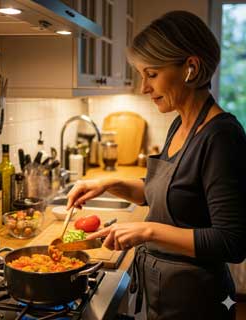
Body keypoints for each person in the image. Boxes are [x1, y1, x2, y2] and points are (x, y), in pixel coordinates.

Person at [66, 10, 246, 320]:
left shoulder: (221, 136)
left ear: (191, 67)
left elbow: (231, 242)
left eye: (151, 74)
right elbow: (165, 194)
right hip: (163, 292)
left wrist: (147, 230)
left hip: (194, 301)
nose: (143, 87)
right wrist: (109, 184)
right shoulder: (181, 124)